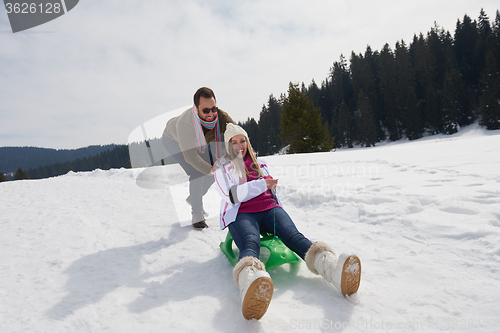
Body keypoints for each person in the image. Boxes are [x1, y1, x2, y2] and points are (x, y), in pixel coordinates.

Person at [214, 123, 362, 320]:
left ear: (248, 142)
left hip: (269, 208)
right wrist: (261, 184)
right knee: (250, 241)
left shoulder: (261, 163)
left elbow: (271, 191)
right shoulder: (223, 169)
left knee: (293, 235)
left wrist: (274, 199)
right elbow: (233, 195)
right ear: (228, 146)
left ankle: (332, 270)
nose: (239, 146)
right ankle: (250, 283)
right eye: (234, 142)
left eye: (242, 140)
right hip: (242, 213)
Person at [162, 87, 234, 229]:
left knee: (219, 168)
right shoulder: (185, 123)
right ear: (196, 108)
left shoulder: (221, 117)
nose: (211, 114)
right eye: (205, 110)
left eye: (213, 108)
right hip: (175, 142)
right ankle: (197, 216)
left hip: (200, 143)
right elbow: (191, 157)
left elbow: (237, 135)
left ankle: (194, 198)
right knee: (198, 172)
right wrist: (210, 168)